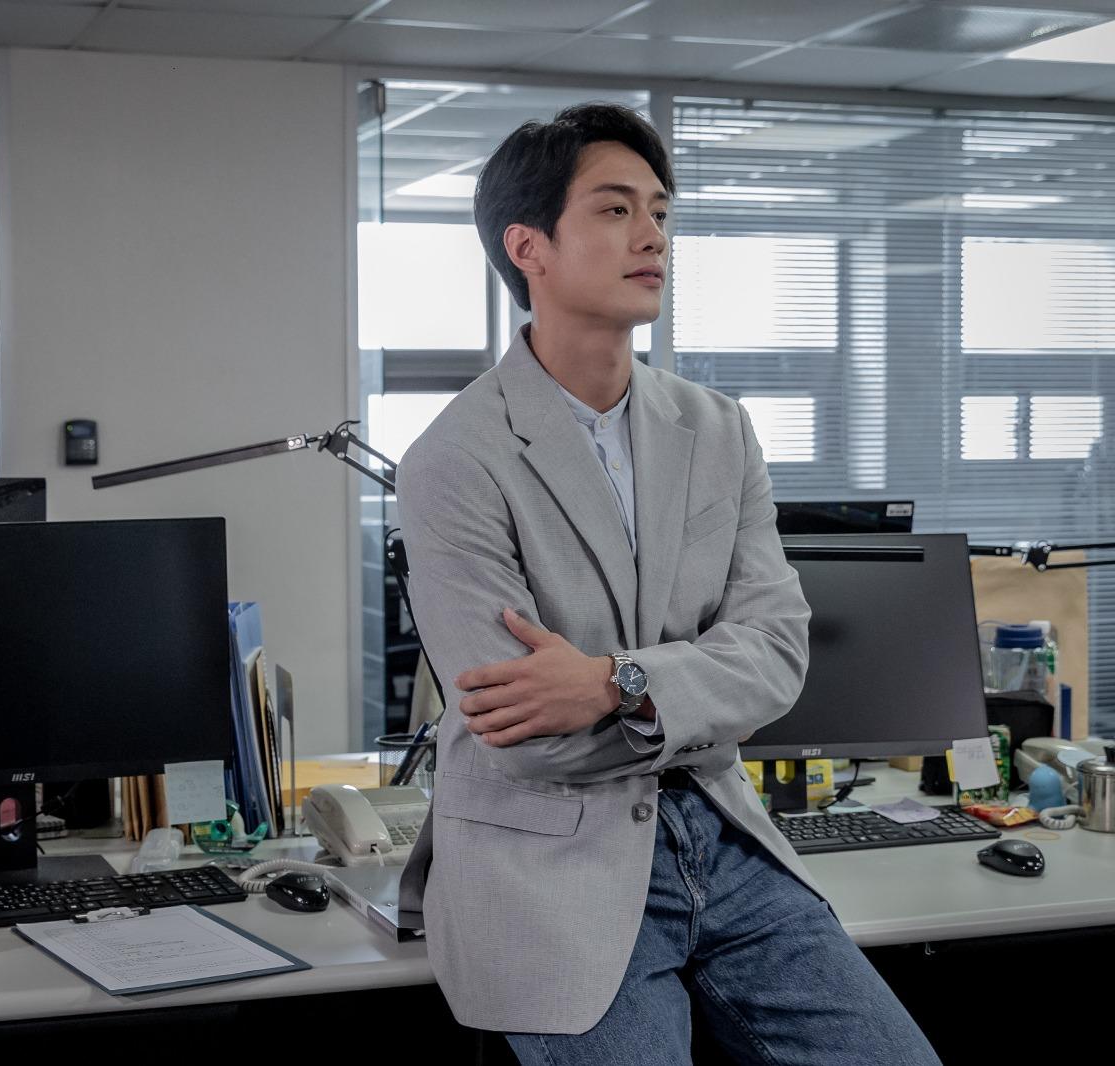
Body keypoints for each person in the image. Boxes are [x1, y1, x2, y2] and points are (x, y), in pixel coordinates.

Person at [395, 103, 941, 1065]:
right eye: (614, 210)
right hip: (550, 862)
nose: (652, 235)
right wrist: (694, 695)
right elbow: (526, 738)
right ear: (528, 247)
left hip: (724, 837)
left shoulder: (718, 429)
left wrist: (614, 683)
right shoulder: (454, 459)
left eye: (658, 210)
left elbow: (776, 656)